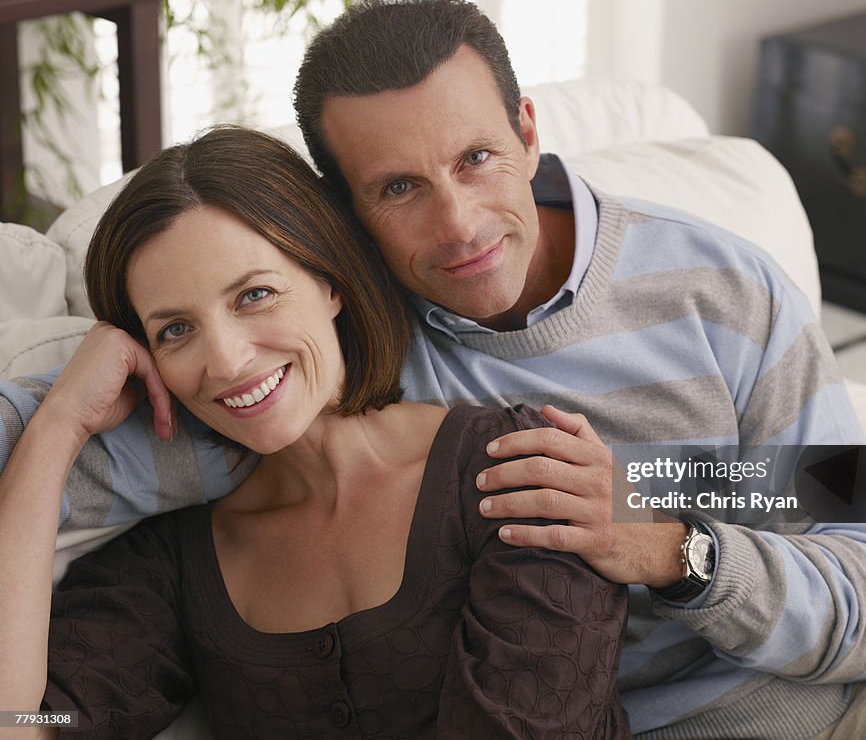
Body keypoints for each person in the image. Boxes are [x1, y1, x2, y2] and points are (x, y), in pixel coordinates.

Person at [2, 0, 866, 740]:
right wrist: (56, 414)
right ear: (340, 213)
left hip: (865, 697)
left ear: (527, 131)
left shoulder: (722, 287)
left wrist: (673, 545)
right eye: (397, 187)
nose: (456, 225)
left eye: (476, 158)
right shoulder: (335, 354)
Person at [0, 126, 632, 740]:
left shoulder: (516, 469)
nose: (224, 361)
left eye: (253, 296)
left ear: (329, 279)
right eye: (175, 330)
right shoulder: (175, 560)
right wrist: (58, 426)